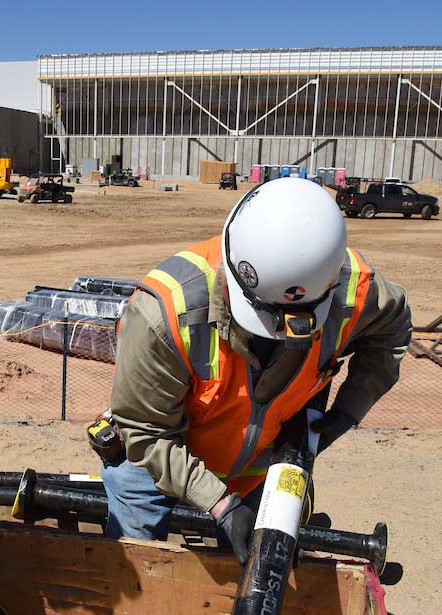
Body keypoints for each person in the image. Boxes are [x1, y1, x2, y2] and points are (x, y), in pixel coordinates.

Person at [102, 178, 411, 560]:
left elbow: (392, 328)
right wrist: (220, 505)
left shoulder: (352, 288)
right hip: (159, 460)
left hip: (257, 466)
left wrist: (350, 408)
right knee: (140, 557)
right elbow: (147, 433)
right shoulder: (162, 314)